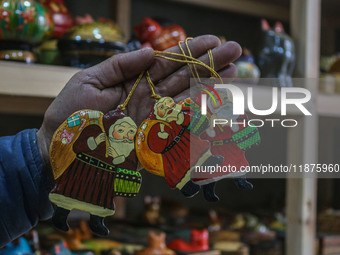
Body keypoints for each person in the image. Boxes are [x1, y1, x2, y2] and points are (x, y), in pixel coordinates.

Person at [0, 35, 241, 247]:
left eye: (128, 133)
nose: (126, 136)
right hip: (83, 172)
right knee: (69, 194)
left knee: (102, 200)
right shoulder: (100, 133)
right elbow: (82, 144)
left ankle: (97, 218)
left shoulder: (168, 124)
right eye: (123, 132)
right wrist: (52, 149)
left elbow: (152, 148)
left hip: (139, 165)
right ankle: (62, 215)